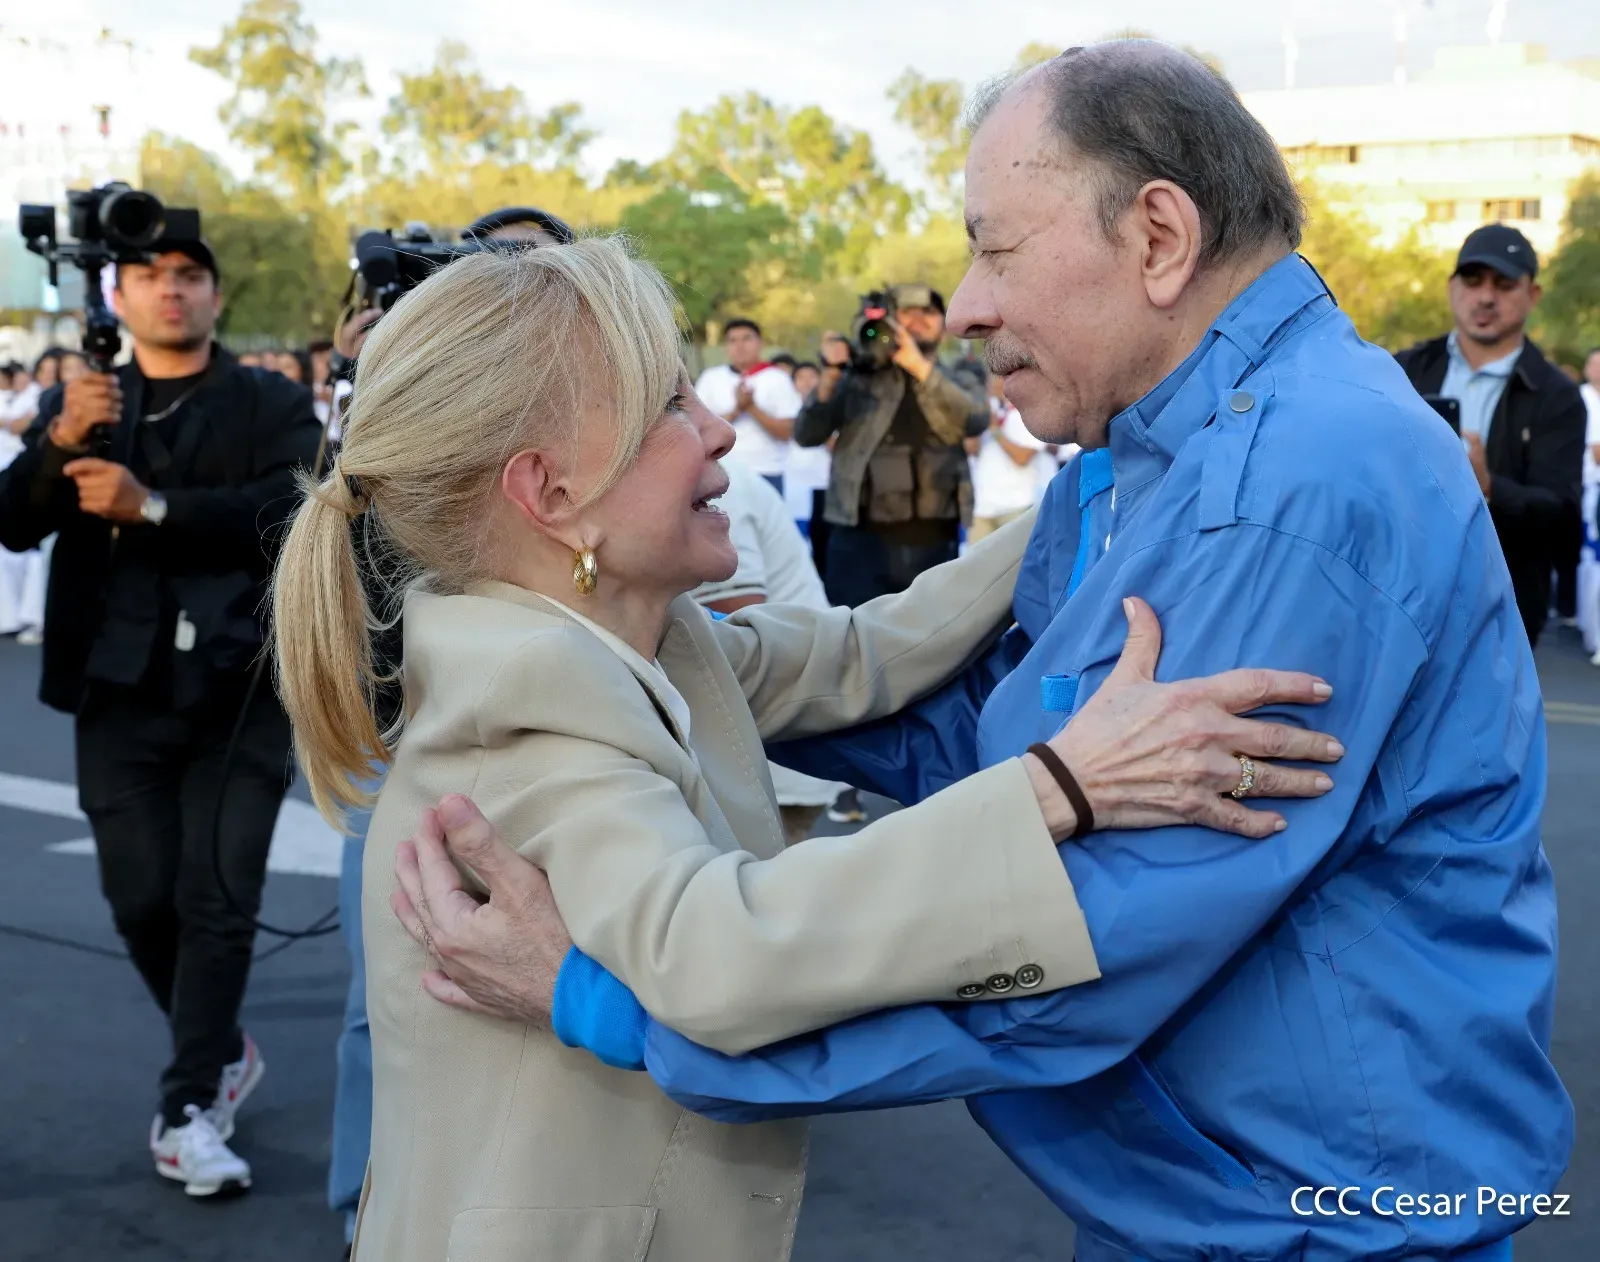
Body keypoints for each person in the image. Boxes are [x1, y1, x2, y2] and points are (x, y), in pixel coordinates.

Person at [399, 41, 1571, 1262]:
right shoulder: (1139, 460)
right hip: (1213, 1202)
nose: (962, 303)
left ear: (1159, 238)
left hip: (1318, 1222)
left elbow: (1079, 946)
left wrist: (627, 1011)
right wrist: (656, 646)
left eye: (995, 248)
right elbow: (985, 730)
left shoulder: (1288, 490)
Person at [272, 235, 1338, 1262]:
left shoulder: (641, 638)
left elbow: (868, 650)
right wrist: (1063, 787)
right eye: (665, 409)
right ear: (550, 493)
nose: (721, 429)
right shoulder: (530, 712)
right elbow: (720, 952)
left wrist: (1121, 492)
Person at [0, 233, 322, 1197]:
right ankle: (219, 1047)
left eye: (188, 276)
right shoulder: (82, 403)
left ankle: (188, 1109)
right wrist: (59, 446)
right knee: (140, 901)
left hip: (242, 692)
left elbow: (295, 508)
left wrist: (156, 509)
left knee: (217, 904)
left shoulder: (269, 401)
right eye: (149, 276)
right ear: (118, 294)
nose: (169, 293)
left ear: (216, 295)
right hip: (118, 687)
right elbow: (14, 522)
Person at [321, 202, 580, 1258]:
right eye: (491, 277)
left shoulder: (606, 435)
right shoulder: (406, 425)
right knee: (388, 1001)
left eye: (546, 279)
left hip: (550, 756)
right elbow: (337, 568)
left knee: (532, 1024)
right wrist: (375, 389)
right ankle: (367, 1210)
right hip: (410, 750)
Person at [1395, 224, 1587, 648]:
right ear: (1452, 287)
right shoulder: (1403, 369)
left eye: (1503, 284)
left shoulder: (1556, 395)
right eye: (1473, 280)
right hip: (1401, 592)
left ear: (1532, 295)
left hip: (1504, 609)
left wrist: (1489, 486)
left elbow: (1562, 516)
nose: (1485, 297)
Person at [798, 284, 989, 609]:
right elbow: (806, 434)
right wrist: (830, 375)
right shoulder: (857, 378)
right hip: (857, 540)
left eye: (927, 313)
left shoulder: (959, 377)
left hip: (932, 539)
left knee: (930, 640)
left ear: (943, 326)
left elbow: (974, 419)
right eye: (907, 313)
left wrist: (917, 366)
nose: (917, 320)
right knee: (853, 639)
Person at [688, 457, 849, 842]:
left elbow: (736, 633)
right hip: (770, 744)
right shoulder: (711, 483)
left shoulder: (719, 491)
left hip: (772, 755)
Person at [693, 318, 802, 495]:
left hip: (766, 472)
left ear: (760, 343)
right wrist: (737, 410)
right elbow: (696, 429)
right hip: (720, 473)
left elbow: (787, 433)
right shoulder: (711, 378)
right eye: (733, 340)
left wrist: (751, 407)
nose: (740, 345)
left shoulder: (778, 379)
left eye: (746, 339)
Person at [969, 400, 1065, 543]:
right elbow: (971, 449)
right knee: (975, 564)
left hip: (1015, 506)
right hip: (981, 508)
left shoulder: (1031, 411)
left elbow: (1022, 458)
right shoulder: (987, 408)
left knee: (1014, 564)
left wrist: (995, 429)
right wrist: (975, 424)